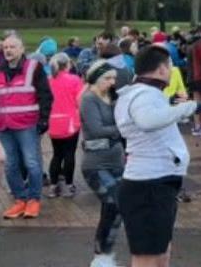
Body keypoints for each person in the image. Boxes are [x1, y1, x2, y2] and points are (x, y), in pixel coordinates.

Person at [114, 45, 200, 267]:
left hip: (158, 183)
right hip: (147, 186)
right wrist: (187, 108)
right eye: (170, 66)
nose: (172, 71)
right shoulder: (143, 93)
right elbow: (147, 121)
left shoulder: (143, 93)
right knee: (147, 257)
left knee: (161, 252)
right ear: (162, 69)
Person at [0, 32, 52, 220]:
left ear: (22, 49)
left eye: (12, 47)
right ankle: (20, 199)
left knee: (32, 162)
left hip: (27, 124)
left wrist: (44, 119)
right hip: (4, 126)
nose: (8, 50)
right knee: (10, 164)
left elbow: (45, 95)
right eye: (5, 47)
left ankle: (33, 199)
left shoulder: (33, 67)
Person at [81, 62, 126, 267]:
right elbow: (96, 129)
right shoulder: (89, 99)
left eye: (113, 78)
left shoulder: (113, 97)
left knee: (116, 205)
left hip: (117, 159)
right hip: (96, 163)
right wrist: (120, 128)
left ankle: (104, 252)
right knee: (112, 202)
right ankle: (102, 253)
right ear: (97, 78)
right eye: (108, 78)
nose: (112, 82)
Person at [47, 52, 84, 198]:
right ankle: (69, 185)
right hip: (70, 123)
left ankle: (53, 186)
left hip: (53, 122)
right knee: (69, 154)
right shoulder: (74, 79)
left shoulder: (49, 80)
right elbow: (79, 101)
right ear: (67, 64)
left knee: (56, 155)